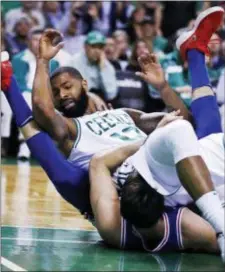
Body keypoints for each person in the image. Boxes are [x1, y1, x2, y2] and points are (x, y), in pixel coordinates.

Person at [1, 51, 221, 255]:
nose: (63, 94)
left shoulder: (122, 113)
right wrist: (43, 60)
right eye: (56, 93)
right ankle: (8, 82)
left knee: (203, 135)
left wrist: (163, 87)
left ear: (84, 84)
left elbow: (182, 120)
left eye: (67, 86)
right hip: (120, 177)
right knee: (66, 177)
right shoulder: (68, 127)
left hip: (155, 166)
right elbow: (43, 110)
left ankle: (194, 51)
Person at [103, 7, 224, 261]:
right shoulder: (170, 218)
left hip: (151, 164)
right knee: (208, 131)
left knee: (185, 128)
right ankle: (194, 51)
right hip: (182, 183)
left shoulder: (114, 215)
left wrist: (145, 137)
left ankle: (194, 51)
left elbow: (96, 164)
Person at [72, 31, 118, 102]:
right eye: (93, 47)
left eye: (100, 48)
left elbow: (111, 95)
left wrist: (103, 69)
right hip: (78, 101)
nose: (97, 51)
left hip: (101, 104)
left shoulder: (107, 66)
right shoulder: (74, 62)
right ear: (85, 46)